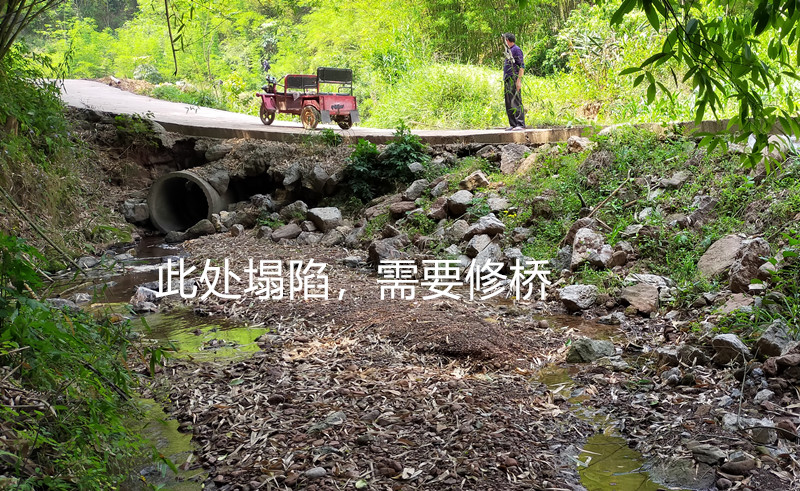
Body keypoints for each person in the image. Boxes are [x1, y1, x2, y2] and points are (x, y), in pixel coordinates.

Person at [502, 33, 525, 130]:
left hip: (514, 78)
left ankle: (520, 124)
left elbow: (521, 66)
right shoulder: (509, 50)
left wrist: (519, 81)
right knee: (508, 102)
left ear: (507, 40)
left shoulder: (516, 49)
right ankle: (513, 124)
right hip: (507, 79)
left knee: (516, 101)